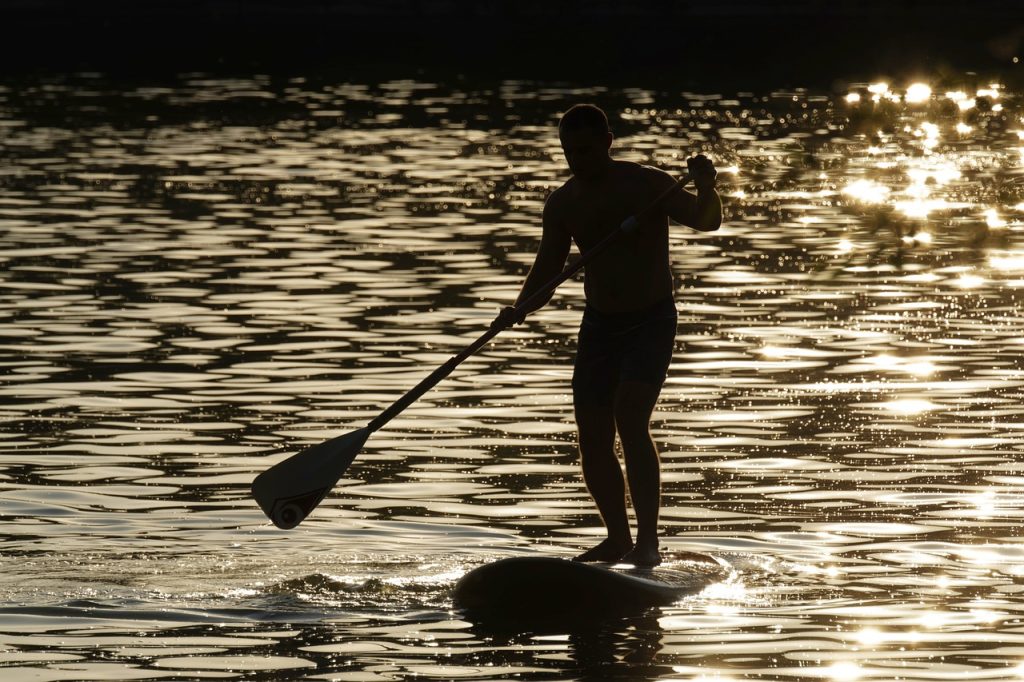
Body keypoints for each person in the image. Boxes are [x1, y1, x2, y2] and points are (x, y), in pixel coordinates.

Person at [494, 103, 722, 567]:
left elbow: (706, 220)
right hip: (600, 325)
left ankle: (648, 544)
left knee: (630, 417)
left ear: (608, 142)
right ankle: (617, 539)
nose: (578, 160)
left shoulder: (648, 184)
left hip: (651, 321)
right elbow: (547, 269)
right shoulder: (563, 203)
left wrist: (706, 184)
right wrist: (518, 309)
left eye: (586, 150)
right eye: (569, 152)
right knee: (592, 435)